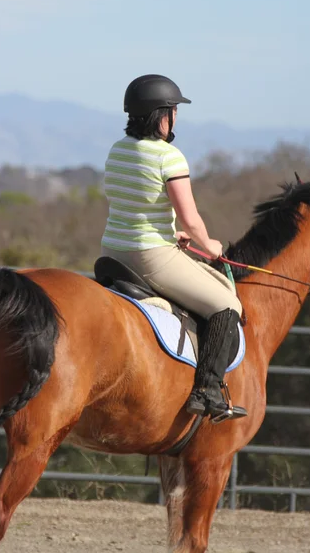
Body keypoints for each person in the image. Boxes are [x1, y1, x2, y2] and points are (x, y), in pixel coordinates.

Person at [101, 74, 246, 422]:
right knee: (227, 303)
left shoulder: (117, 150)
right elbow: (192, 219)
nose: (176, 117)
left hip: (111, 252)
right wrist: (208, 246)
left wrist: (170, 232)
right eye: (174, 110)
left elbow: (135, 206)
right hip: (150, 257)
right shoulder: (169, 157)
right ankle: (207, 391)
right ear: (161, 114)